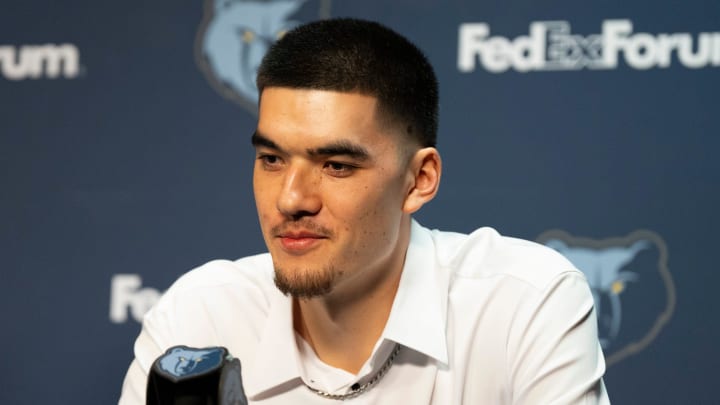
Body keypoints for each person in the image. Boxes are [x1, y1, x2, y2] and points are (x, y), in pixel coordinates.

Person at [119, 18, 609, 404]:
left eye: (335, 165)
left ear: (419, 180)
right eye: (272, 159)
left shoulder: (522, 304)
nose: (291, 199)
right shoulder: (198, 318)